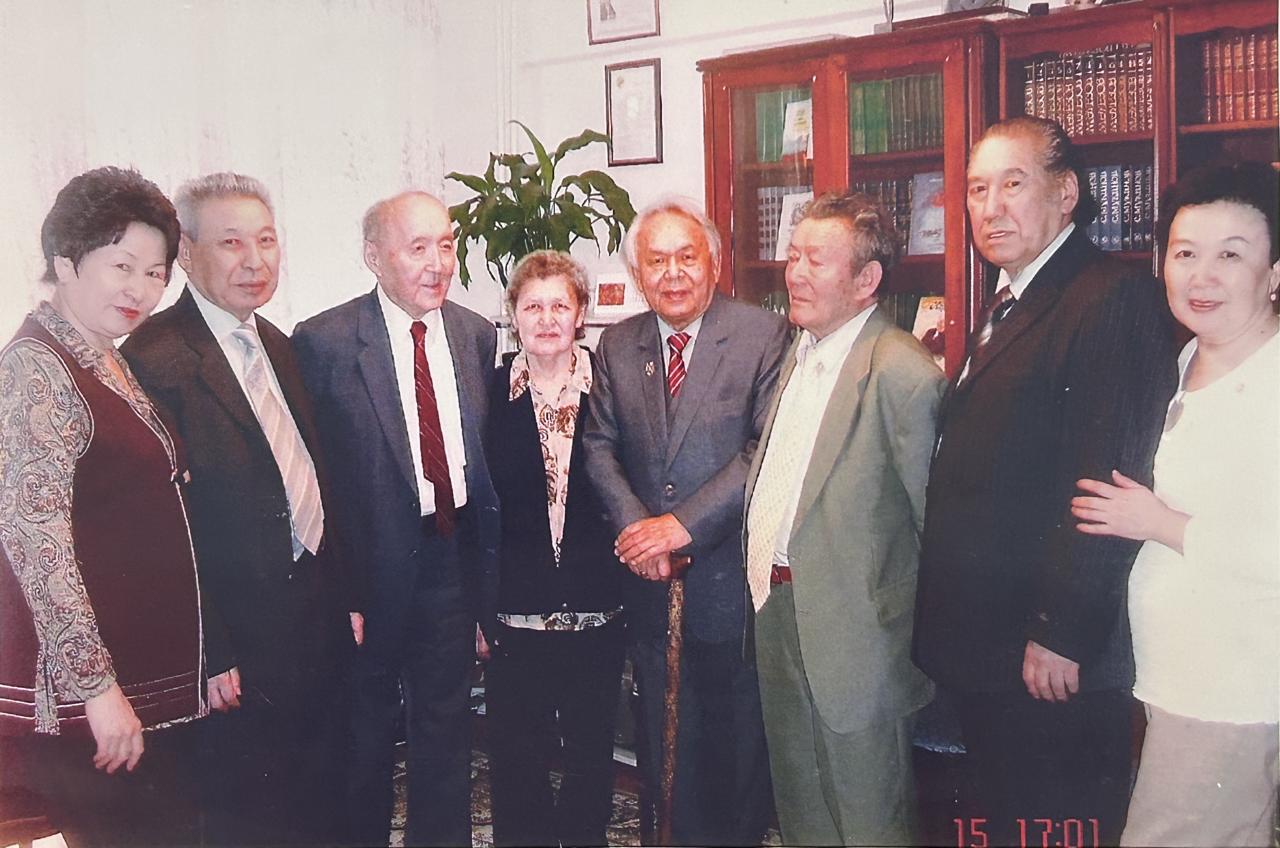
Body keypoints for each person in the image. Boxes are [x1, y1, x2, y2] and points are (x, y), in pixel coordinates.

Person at [912, 116, 1178, 846]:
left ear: (1066, 194)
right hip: (989, 646)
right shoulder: (1011, 297)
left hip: (1047, 656)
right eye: (976, 189)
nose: (990, 207)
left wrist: (1062, 632)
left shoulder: (1109, 296)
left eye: (1013, 184)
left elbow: (1107, 483)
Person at [121, 172, 358, 846]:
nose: (255, 261)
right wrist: (211, 646)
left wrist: (347, 595)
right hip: (235, 637)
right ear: (187, 253)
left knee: (321, 800)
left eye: (266, 240)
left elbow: (314, 475)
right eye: (231, 243)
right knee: (250, 815)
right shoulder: (153, 357)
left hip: (313, 614)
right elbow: (163, 529)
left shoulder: (278, 343)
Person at [1071, 162, 1279, 848]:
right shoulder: (1187, 359)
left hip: (1233, 685)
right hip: (1177, 675)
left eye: (1231, 256)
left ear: (1274, 274)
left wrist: (1159, 523)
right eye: (1186, 254)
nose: (1201, 276)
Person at [0, 167, 204, 845]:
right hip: (88, 704)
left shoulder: (103, 358)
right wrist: (97, 692)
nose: (139, 290)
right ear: (65, 262)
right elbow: (39, 545)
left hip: (137, 683)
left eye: (155, 273)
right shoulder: (35, 368)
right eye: (122, 266)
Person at [292, 190, 500, 847]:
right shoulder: (323, 342)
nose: (439, 263)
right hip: (368, 572)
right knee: (366, 733)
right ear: (374, 257)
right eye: (418, 248)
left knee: (446, 729)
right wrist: (343, 588)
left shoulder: (475, 334)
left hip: (448, 558)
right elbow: (318, 476)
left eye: (447, 244)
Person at [583, 195, 788, 846]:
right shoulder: (617, 345)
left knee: (734, 752)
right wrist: (639, 532)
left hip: (728, 584)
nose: (672, 273)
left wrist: (681, 526)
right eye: (656, 261)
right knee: (663, 751)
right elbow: (598, 446)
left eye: (686, 257)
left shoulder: (763, 335)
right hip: (649, 582)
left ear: (714, 263)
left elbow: (763, 450)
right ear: (638, 272)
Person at [745, 193, 944, 846]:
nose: (796, 273)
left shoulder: (903, 374)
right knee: (803, 817)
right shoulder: (799, 353)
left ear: (866, 280)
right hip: (779, 616)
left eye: (817, 260)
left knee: (869, 827)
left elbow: (933, 530)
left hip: (859, 647)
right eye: (793, 256)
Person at [483, 250, 624, 848]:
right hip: (516, 614)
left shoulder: (613, 391)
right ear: (513, 315)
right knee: (519, 763)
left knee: (591, 759)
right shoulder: (487, 394)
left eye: (559, 306)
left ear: (581, 314)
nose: (546, 319)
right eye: (532, 306)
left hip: (598, 610)